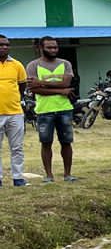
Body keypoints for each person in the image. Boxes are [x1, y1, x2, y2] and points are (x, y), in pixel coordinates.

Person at [25, 36, 77, 183]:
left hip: (64, 109)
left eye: (55, 47)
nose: (53, 50)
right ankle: (49, 175)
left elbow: (66, 82)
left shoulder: (65, 64)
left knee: (66, 142)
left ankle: (68, 174)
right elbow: (34, 89)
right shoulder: (33, 65)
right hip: (44, 110)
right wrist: (61, 90)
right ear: (41, 48)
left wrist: (42, 83)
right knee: (46, 143)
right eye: (49, 47)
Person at [0, 34, 30, 186]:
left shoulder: (17, 65)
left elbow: (22, 85)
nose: (4, 47)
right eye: (1, 45)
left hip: (14, 112)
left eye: (7, 44)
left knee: (17, 147)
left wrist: (16, 99)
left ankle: (18, 178)